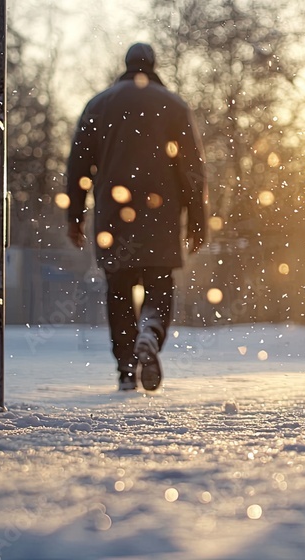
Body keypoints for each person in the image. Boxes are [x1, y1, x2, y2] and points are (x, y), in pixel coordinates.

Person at [65, 43, 207, 391]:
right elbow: (192, 169)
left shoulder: (99, 104)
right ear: (153, 65)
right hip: (162, 213)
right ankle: (151, 332)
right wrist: (198, 219)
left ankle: (127, 367)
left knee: (119, 290)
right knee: (159, 285)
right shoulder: (173, 105)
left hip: (114, 217)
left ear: (126, 64)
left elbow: (79, 166)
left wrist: (75, 215)